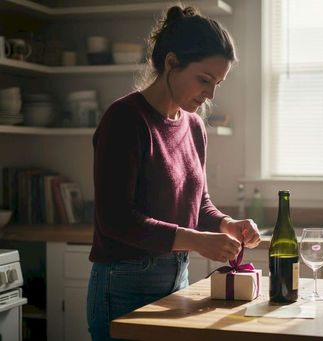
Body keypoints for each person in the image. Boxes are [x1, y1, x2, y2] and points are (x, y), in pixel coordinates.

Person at [86, 5, 261, 341]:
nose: (210, 94)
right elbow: (116, 220)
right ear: (171, 63)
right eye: (204, 80)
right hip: (124, 282)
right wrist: (197, 241)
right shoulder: (125, 120)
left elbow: (199, 203)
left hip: (177, 276)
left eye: (218, 84)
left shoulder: (195, 126)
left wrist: (227, 224)